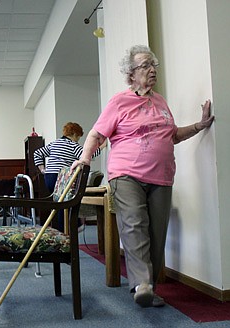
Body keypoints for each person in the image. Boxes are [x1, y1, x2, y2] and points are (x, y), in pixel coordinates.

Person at [70, 45, 214, 308]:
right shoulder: (119, 102)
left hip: (162, 176)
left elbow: (172, 135)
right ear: (131, 74)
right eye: (145, 65)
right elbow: (96, 134)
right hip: (127, 174)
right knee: (135, 222)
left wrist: (199, 126)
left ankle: (148, 286)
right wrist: (85, 158)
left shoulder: (160, 102)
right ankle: (142, 284)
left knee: (157, 232)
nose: (152, 69)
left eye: (153, 64)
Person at [33, 122, 104, 231]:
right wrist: (102, 146)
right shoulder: (72, 145)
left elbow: (37, 153)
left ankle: (64, 228)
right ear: (75, 134)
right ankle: (67, 229)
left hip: (49, 177)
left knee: (58, 203)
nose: (78, 140)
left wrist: (43, 169)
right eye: (78, 137)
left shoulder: (54, 143)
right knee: (65, 203)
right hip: (62, 177)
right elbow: (88, 154)